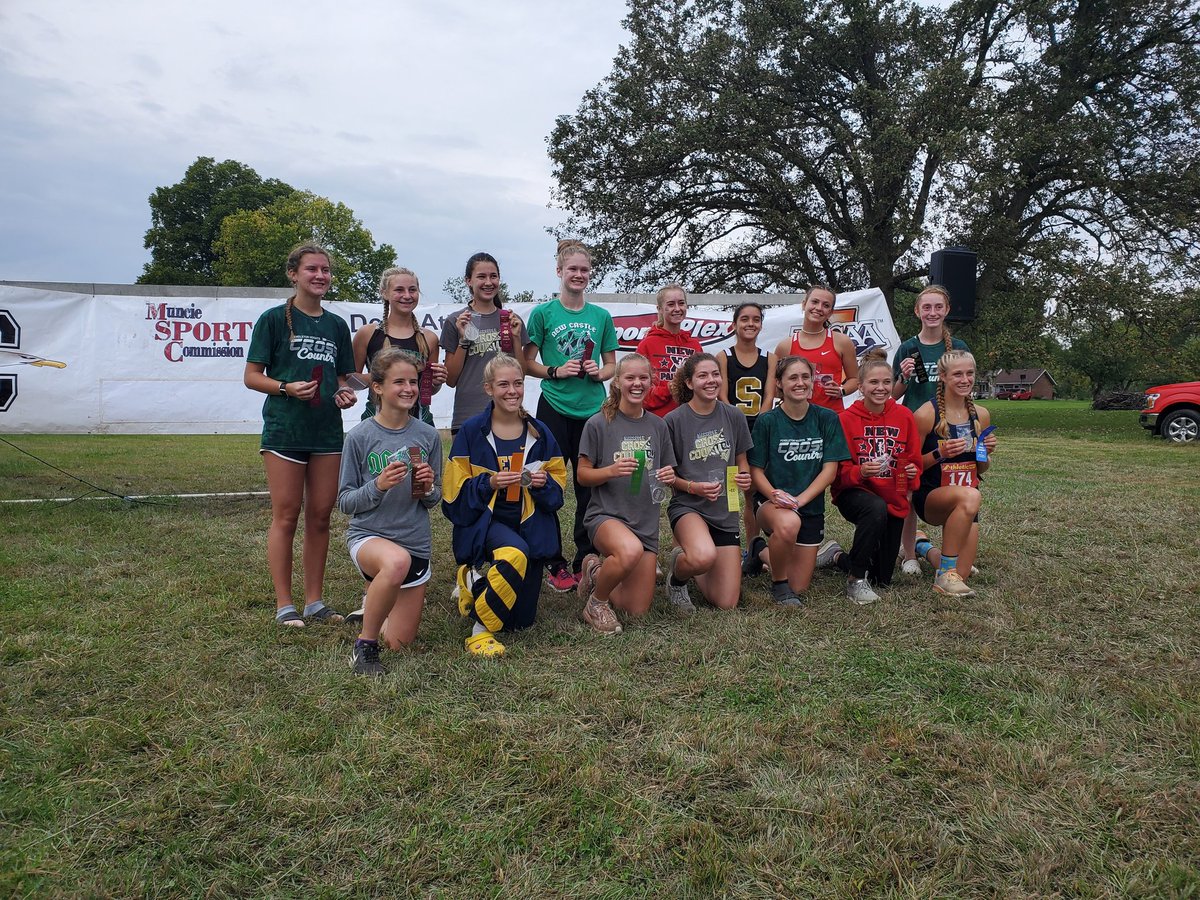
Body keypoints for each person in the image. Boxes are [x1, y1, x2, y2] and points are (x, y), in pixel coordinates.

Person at [243, 243, 358, 628]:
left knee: (321, 516)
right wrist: (285, 388)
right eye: (312, 269)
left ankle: (314, 602)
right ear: (294, 274)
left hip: (326, 433)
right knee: (287, 515)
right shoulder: (273, 319)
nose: (320, 276)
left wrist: (344, 394)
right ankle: (284, 604)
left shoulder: (337, 325)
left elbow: (343, 379)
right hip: (284, 431)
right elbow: (251, 376)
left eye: (325, 270)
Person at [442, 354, 568, 656]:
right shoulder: (472, 432)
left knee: (520, 621)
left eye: (518, 383)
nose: (512, 391)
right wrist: (489, 484)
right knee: (514, 554)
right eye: (503, 385)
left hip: (529, 524)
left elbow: (559, 491)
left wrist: (543, 484)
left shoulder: (540, 431)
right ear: (488, 389)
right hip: (486, 523)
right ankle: (479, 632)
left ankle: (473, 582)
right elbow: (452, 497)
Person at [337, 349, 442, 676]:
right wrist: (378, 486)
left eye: (413, 381)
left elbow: (433, 499)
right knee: (396, 562)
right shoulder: (359, 436)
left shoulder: (427, 436)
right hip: (369, 538)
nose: (409, 388)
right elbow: (345, 502)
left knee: (399, 642)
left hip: (414, 542)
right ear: (378, 388)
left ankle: (376, 600)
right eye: (399, 381)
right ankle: (364, 646)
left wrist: (427, 489)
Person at [523, 240, 618, 592]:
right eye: (572, 269)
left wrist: (599, 372)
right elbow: (526, 362)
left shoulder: (601, 317)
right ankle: (552, 560)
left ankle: (586, 557)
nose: (578, 275)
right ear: (559, 271)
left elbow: (611, 366)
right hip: (553, 408)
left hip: (593, 411)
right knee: (546, 483)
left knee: (588, 486)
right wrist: (554, 371)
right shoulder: (544, 313)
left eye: (584, 270)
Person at [575, 353, 678, 634]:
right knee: (628, 550)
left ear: (651, 382)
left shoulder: (658, 425)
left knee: (636, 608)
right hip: (607, 517)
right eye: (630, 377)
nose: (637, 383)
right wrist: (611, 470)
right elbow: (583, 476)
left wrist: (669, 477)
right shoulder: (598, 423)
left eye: (643, 378)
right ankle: (596, 604)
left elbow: (666, 471)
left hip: (644, 522)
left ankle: (596, 572)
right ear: (618, 382)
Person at [817, 349, 922, 605]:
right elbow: (837, 472)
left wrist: (911, 472)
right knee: (874, 509)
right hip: (854, 492)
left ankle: (837, 557)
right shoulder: (844, 419)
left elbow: (913, 460)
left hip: (891, 495)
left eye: (887, 382)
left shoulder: (904, 416)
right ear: (860, 387)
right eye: (873, 382)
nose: (881, 388)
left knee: (882, 578)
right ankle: (855, 581)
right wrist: (860, 471)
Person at [747, 355, 850, 607]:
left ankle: (759, 550)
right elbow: (755, 471)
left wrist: (800, 500)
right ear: (780, 383)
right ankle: (778, 585)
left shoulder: (826, 418)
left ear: (813, 381)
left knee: (800, 584)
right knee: (788, 524)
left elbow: (830, 471)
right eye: (793, 377)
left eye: (805, 377)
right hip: (772, 505)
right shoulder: (768, 420)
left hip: (809, 506)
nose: (800, 383)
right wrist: (773, 495)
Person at [663, 353, 753, 612]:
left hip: (725, 509)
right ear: (689, 383)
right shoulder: (673, 421)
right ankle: (678, 578)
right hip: (689, 506)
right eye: (703, 375)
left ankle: (699, 556)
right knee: (702, 556)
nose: (711, 380)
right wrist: (694, 487)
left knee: (726, 602)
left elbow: (741, 458)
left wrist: (744, 477)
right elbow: (669, 478)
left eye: (715, 374)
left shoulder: (734, 415)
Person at [892, 284, 970, 575]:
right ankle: (909, 553)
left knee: (955, 488)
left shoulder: (959, 347)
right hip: (915, 427)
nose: (932, 312)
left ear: (947, 310)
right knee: (910, 492)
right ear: (917, 311)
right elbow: (892, 394)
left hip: (950, 428)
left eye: (938, 307)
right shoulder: (909, 347)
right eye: (927, 307)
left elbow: (965, 389)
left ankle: (952, 551)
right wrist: (905, 376)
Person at [912, 349, 997, 598]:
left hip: (968, 502)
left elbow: (980, 468)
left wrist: (984, 452)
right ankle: (944, 577)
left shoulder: (980, 414)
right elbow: (911, 466)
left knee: (963, 571)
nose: (965, 380)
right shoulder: (926, 414)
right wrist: (941, 453)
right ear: (943, 376)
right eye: (958, 374)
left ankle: (923, 546)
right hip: (931, 497)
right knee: (970, 496)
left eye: (970, 373)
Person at [440, 252, 526, 435]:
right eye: (481, 276)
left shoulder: (511, 320)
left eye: (493, 276)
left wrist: (516, 338)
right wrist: (464, 340)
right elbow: (450, 379)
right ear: (468, 281)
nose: (488, 282)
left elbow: (521, 374)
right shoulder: (456, 320)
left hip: (508, 416)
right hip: (468, 416)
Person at [716, 301, 776, 557]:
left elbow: (769, 398)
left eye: (756, 319)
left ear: (761, 324)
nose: (750, 324)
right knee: (732, 490)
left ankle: (754, 547)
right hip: (731, 429)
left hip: (759, 430)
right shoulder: (723, 356)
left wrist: (758, 430)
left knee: (755, 491)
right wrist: (737, 426)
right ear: (735, 324)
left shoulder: (770, 358)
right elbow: (722, 397)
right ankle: (730, 543)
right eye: (745, 319)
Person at [352, 267, 446, 425]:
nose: (407, 296)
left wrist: (437, 382)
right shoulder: (367, 334)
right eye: (399, 290)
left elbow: (427, 392)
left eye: (412, 290)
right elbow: (350, 380)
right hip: (375, 423)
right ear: (385, 293)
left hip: (420, 423)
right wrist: (384, 378)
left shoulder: (429, 338)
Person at [770, 285, 859, 413]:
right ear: (804, 304)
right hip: (795, 419)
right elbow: (774, 387)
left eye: (826, 305)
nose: (819, 308)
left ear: (831, 312)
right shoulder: (785, 346)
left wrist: (841, 390)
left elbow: (855, 379)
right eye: (815, 302)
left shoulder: (842, 342)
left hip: (831, 417)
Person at [636, 283, 703, 417]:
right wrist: (668, 389)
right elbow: (638, 390)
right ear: (660, 309)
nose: (677, 308)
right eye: (671, 304)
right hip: (657, 421)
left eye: (681, 303)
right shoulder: (647, 344)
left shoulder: (694, 345)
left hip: (689, 420)